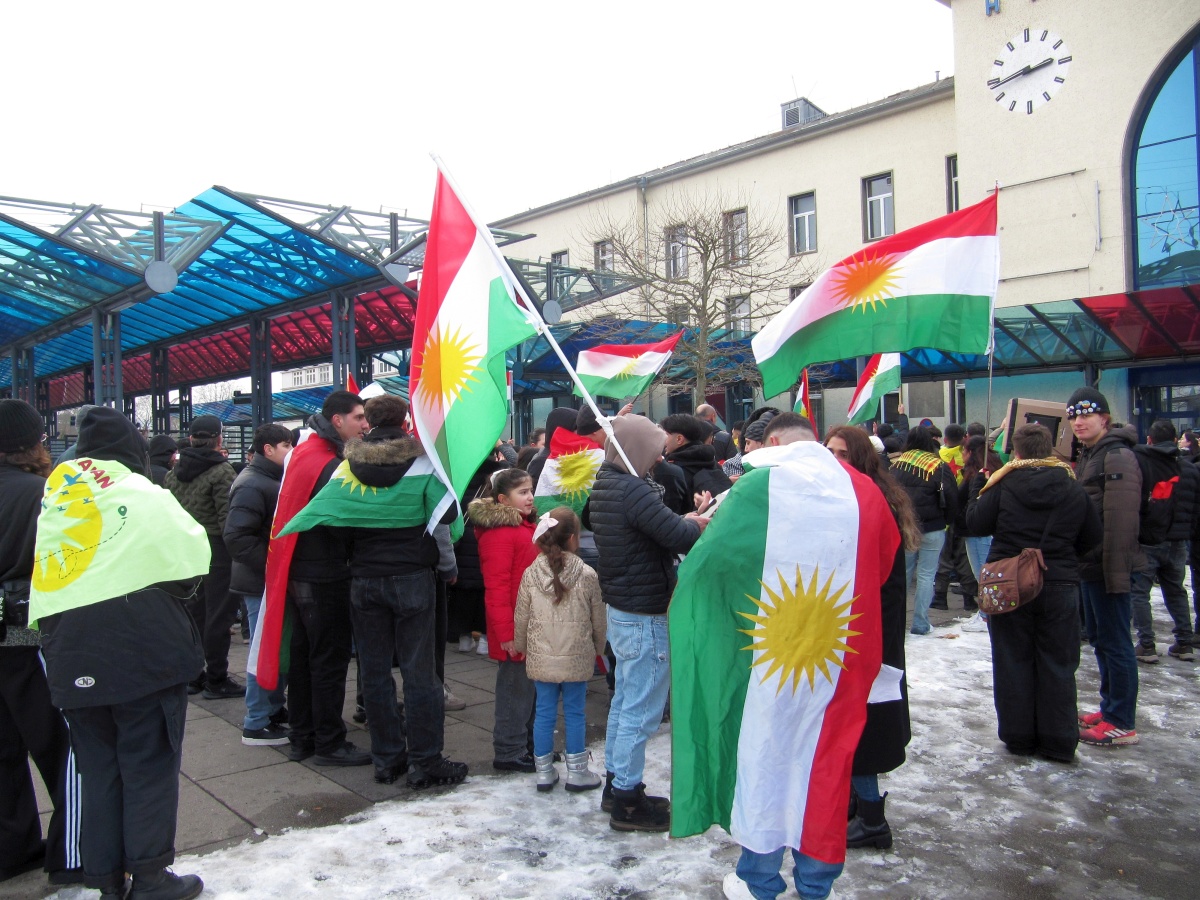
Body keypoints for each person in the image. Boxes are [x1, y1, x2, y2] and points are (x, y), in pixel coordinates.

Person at [668, 420, 897, 900]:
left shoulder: (758, 487)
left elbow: (711, 561)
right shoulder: (865, 492)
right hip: (837, 653)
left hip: (768, 652)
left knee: (766, 757)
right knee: (825, 765)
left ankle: (759, 880)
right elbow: (883, 562)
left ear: (772, 443)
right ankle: (815, 885)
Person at [34, 406, 209, 900]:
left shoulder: (56, 497)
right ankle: (150, 877)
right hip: (143, 652)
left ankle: (105, 880)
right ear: (133, 449)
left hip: (70, 652)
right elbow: (193, 560)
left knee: (98, 772)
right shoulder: (141, 492)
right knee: (148, 764)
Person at [336, 395, 468, 788]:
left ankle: (386, 759)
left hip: (364, 578)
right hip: (411, 574)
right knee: (419, 672)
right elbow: (445, 515)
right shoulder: (423, 462)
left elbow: (334, 517)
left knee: (374, 672)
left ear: (368, 422)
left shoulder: (347, 465)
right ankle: (425, 761)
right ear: (405, 419)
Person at [585, 414, 706, 831]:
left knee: (625, 703)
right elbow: (679, 537)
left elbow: (653, 529)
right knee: (641, 710)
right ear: (635, 450)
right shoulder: (633, 489)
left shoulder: (608, 482)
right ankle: (628, 802)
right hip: (645, 613)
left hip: (624, 608)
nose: (659, 458)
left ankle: (617, 785)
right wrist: (696, 523)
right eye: (654, 451)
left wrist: (686, 520)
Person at [967, 423, 1102, 762]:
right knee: (1058, 661)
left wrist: (978, 486)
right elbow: (1092, 537)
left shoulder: (1003, 484)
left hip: (1009, 583)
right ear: (1050, 449)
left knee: (1012, 659)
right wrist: (1062, 559)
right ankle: (1059, 740)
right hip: (1060, 583)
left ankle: (1019, 736)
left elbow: (975, 523)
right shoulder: (1072, 486)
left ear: (1017, 452)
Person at [824, 425, 921, 851]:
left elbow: (877, 581)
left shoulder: (869, 501)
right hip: (854, 628)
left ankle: (871, 819)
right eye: (829, 452)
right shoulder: (853, 495)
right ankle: (853, 805)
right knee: (850, 722)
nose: (834, 460)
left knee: (862, 725)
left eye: (842, 453)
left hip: (868, 634)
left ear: (861, 458)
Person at [266, 390, 372, 767]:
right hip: (324, 573)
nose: (365, 424)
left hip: (300, 569)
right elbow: (342, 521)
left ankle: (303, 736)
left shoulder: (307, 452)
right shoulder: (328, 462)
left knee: (303, 657)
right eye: (359, 417)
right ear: (337, 420)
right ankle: (329, 741)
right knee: (329, 659)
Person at [0, 400, 82, 888]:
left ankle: (13, 849)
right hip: (28, 635)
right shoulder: (42, 494)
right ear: (32, 442)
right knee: (63, 746)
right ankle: (72, 851)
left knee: (3, 751)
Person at [1068, 387, 1143, 747]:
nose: (1078, 422)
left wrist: (1115, 571)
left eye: (1086, 415)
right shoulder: (1091, 453)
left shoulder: (1116, 455)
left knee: (1116, 643)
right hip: (1091, 565)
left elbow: (1121, 520)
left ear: (1104, 418)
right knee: (1101, 640)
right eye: (1074, 416)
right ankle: (1109, 707)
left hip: (1108, 566)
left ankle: (1121, 721)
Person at [513, 506, 605, 793]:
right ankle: (577, 772)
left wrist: (521, 645)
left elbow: (521, 615)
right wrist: (599, 646)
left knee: (544, 712)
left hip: (541, 657)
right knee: (576, 712)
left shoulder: (530, 574)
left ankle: (543, 771)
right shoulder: (587, 574)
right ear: (574, 538)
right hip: (577, 656)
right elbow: (598, 617)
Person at [223, 423, 293, 747]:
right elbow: (237, 537)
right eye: (286, 445)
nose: (291, 451)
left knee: (272, 648)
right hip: (259, 583)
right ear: (268, 449)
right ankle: (256, 722)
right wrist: (272, 566)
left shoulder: (266, 479)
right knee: (263, 650)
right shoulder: (253, 483)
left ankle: (273, 710)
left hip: (263, 581)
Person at [164, 415, 242, 700]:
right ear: (219, 439)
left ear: (191, 438)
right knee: (219, 616)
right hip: (216, 550)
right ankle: (217, 679)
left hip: (186, 548)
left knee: (193, 613)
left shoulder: (173, 473)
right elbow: (227, 519)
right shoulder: (222, 472)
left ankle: (194, 675)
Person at [469, 467, 541, 773]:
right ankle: (509, 750)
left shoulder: (523, 526)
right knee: (514, 690)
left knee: (529, 690)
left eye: (530, 490)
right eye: (522, 492)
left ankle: (528, 745)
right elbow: (496, 588)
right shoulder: (499, 533)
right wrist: (506, 633)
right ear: (503, 499)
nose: (530, 497)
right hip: (514, 627)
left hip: (530, 623)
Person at [1130, 419, 1198, 662]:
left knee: (1140, 592)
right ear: (1175, 439)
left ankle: (1146, 644)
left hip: (1149, 539)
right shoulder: (1190, 470)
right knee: (1176, 591)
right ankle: (1185, 642)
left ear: (1149, 440)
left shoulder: (1144, 465)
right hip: (1178, 541)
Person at [891, 426, 958, 635]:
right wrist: (947, 520)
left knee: (904, 575)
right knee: (927, 576)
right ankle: (920, 622)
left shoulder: (897, 466)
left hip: (907, 528)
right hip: (934, 527)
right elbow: (952, 497)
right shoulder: (938, 465)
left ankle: (897, 621)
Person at [958, 435, 1003, 633]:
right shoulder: (995, 468)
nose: (962, 454)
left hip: (976, 530)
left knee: (982, 574)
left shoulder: (976, 475)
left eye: (964, 450)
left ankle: (986, 614)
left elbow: (969, 500)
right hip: (986, 529)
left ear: (970, 452)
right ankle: (985, 612)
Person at [658, 413, 733, 513]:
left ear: (679, 439)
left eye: (665, 435)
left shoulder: (672, 471)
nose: (662, 440)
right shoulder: (712, 462)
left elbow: (669, 513)